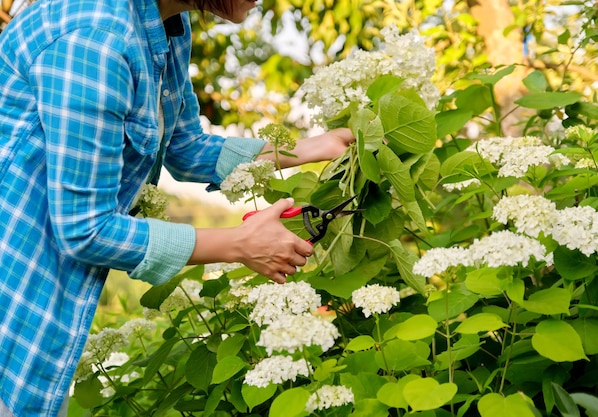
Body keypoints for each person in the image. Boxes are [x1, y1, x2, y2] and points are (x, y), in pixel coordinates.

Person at [0, 0, 354, 415]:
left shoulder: (166, 22)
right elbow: (84, 230)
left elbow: (184, 145)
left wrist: (305, 149)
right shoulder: (97, 40)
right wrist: (239, 244)